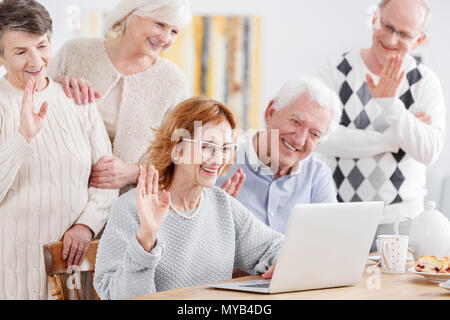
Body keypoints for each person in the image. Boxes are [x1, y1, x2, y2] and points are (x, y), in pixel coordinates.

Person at [93, 96, 283, 299]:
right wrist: (145, 239)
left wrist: (281, 262)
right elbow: (115, 295)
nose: (218, 159)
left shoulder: (222, 203)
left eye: (225, 149)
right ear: (177, 151)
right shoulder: (130, 207)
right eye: (206, 146)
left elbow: (274, 246)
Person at [0, 0, 117, 299]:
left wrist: (86, 225)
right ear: (1, 57)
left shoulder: (75, 99)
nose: (35, 59)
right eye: (20, 51)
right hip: (11, 270)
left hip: (73, 269)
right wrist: (23, 136)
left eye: (41, 45)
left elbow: (105, 176)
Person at [316, 0, 445, 250]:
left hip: (402, 221)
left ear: (418, 40)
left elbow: (428, 151)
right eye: (387, 26)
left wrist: (390, 105)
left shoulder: (424, 82)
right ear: (374, 18)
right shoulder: (335, 70)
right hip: (339, 215)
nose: (391, 39)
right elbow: (322, 138)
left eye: (404, 34)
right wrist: (393, 140)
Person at [49, 0, 192, 193]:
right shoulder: (75, 51)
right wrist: (53, 87)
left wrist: (133, 172)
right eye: (160, 24)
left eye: (174, 31)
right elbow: (29, 105)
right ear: (130, 14)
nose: (165, 38)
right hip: (57, 190)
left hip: (127, 206)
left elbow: (182, 153)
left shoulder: (173, 81)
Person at [216, 77, 342, 235]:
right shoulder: (219, 161)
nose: (300, 139)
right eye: (296, 122)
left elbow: (330, 238)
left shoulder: (317, 175)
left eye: (314, 134)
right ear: (271, 113)